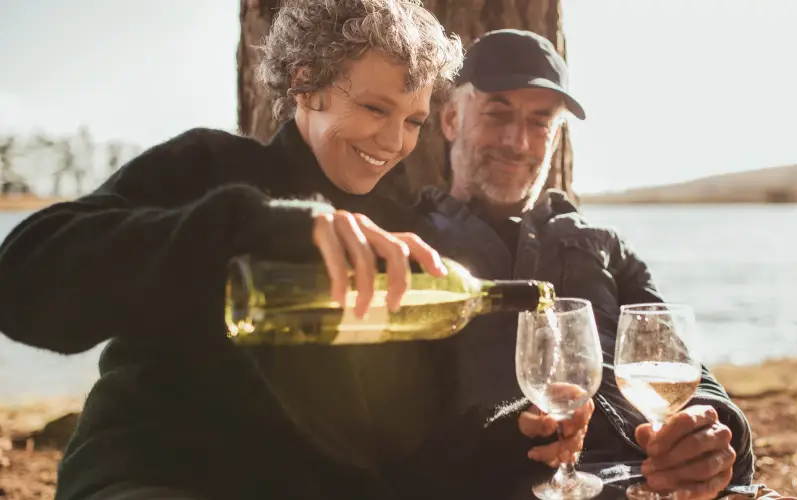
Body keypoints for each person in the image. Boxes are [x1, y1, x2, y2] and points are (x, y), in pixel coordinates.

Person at [0, 2, 586, 499]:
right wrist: (259, 229)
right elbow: (23, 283)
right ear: (305, 82)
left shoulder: (406, 240)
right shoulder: (211, 169)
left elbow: (406, 456)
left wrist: (514, 440)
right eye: (375, 109)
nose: (393, 142)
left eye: (412, 120)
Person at [417, 29, 765, 499]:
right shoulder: (411, 241)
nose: (519, 142)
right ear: (452, 118)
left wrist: (709, 436)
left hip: (654, 481)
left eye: (540, 122)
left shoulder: (603, 246)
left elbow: (685, 370)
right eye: (498, 114)